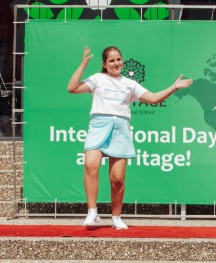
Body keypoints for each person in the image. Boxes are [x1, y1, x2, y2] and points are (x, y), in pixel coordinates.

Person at [67, 46, 193, 230]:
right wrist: (83, 65)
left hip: (120, 129)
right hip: (99, 126)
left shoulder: (130, 84)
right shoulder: (97, 79)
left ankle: (116, 217)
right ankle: (92, 212)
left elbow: (153, 98)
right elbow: (72, 88)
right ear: (104, 64)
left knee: (117, 178)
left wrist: (174, 87)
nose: (116, 63)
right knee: (90, 164)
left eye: (118, 59)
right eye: (111, 61)